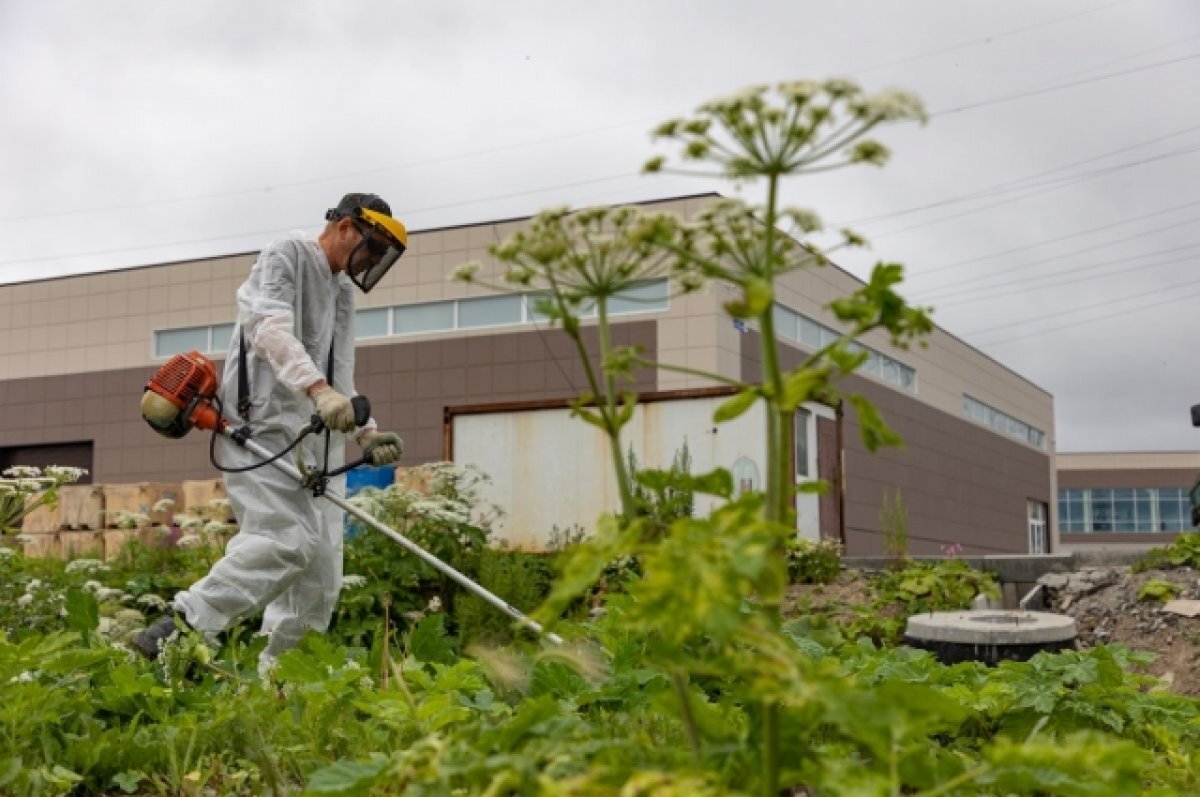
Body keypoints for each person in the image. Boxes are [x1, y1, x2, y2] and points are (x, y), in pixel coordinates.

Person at [134, 193, 407, 673]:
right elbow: (269, 328)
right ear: (346, 226)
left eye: (379, 257)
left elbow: (341, 371)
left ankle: (284, 685)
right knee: (286, 542)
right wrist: (318, 391)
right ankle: (178, 630)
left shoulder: (341, 291)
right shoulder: (288, 254)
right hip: (260, 432)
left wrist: (366, 433)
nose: (370, 261)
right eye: (371, 248)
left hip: (317, 444)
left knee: (321, 577)